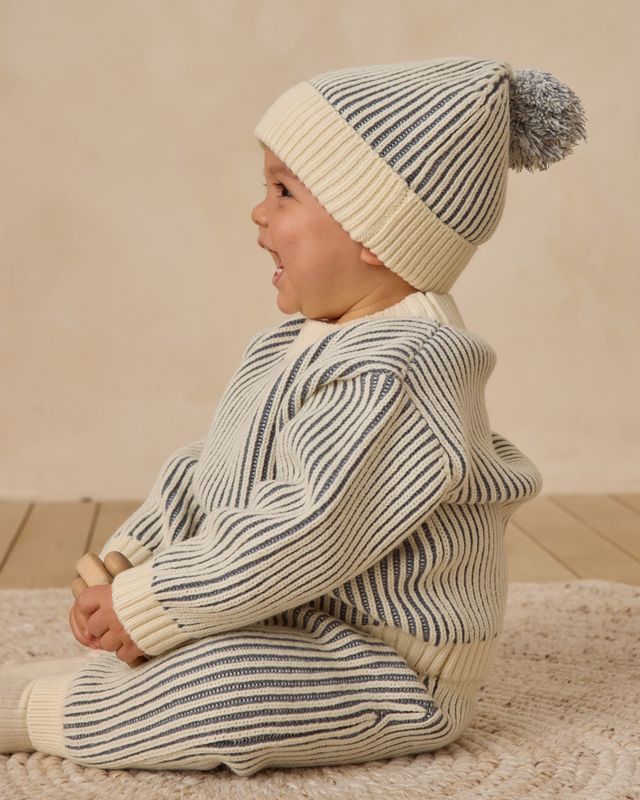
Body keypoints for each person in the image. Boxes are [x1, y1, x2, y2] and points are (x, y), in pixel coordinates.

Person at [1, 56, 587, 775]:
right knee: (194, 642)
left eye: (283, 191)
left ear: (374, 231)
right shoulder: (300, 338)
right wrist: (141, 553)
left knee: (225, 694)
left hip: (386, 664)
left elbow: (307, 525)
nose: (258, 211)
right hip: (290, 610)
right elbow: (212, 467)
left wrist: (158, 598)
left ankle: (40, 712)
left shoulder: (403, 366)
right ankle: (101, 685)